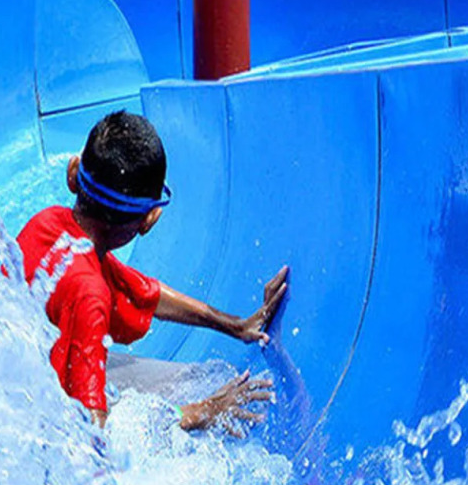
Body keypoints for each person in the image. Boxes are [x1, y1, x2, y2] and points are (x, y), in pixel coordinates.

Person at [17, 112, 289, 433]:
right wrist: (204, 411)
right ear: (149, 219)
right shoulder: (90, 293)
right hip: (43, 427)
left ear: (73, 174)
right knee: (197, 391)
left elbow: (146, 294)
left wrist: (238, 326)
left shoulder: (47, 225)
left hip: (20, 392)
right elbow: (92, 436)